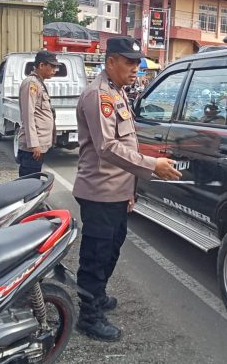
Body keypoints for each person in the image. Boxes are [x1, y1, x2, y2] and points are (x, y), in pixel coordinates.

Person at [73, 36, 182, 342]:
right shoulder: (99, 96)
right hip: (99, 191)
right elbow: (107, 147)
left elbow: (126, 143)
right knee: (96, 255)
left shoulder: (117, 92)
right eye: (130, 62)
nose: (137, 68)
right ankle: (89, 315)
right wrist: (152, 165)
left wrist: (131, 190)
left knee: (112, 247)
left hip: (118, 191)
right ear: (111, 62)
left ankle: (97, 295)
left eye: (138, 62)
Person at [16, 50, 59, 177]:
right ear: (41, 65)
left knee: (34, 181)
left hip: (39, 145)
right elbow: (28, 115)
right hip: (33, 148)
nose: (54, 70)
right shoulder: (32, 83)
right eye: (52, 66)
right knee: (29, 183)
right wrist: (34, 144)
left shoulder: (39, 83)